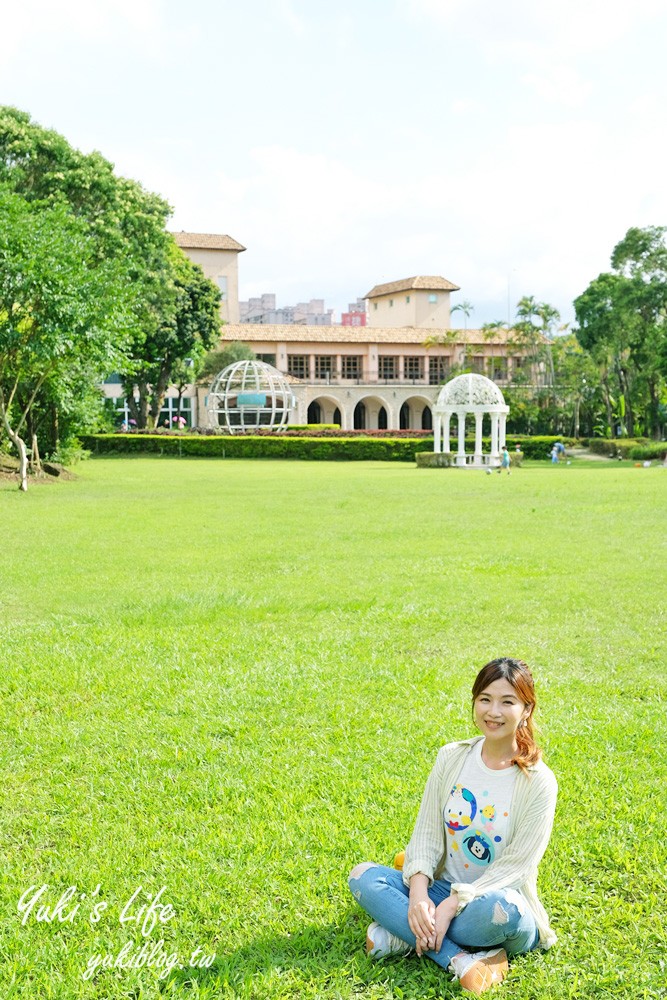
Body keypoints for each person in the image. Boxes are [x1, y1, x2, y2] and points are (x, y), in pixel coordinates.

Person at [348, 658, 558, 996]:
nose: (493, 711)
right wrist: (418, 897)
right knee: (363, 876)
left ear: (526, 709)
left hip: (491, 902)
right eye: (485, 699)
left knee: (505, 912)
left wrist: (451, 906)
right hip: (441, 890)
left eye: (507, 702)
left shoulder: (539, 782)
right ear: (474, 702)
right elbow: (427, 833)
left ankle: (403, 932)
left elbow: (516, 867)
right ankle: (460, 960)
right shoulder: (452, 757)